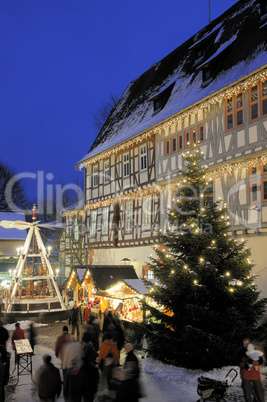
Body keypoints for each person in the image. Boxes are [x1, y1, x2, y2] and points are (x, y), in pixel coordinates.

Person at [238, 337, 265, 402]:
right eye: (245, 344)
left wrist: (253, 362)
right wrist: (244, 365)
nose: (246, 346)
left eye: (247, 344)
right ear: (243, 344)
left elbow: (260, 362)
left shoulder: (255, 351)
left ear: (250, 344)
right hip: (245, 374)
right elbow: (237, 362)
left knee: (259, 391)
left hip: (255, 374)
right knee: (247, 392)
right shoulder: (241, 352)